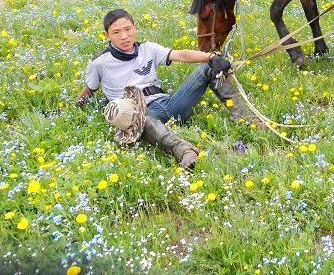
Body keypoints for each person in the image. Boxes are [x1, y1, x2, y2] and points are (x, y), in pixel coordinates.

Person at [76, 9, 254, 169]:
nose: (124, 36)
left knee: (208, 67)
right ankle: (184, 151)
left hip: (169, 104)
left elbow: (179, 54)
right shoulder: (99, 63)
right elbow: (90, 88)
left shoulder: (147, 48)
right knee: (134, 114)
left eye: (128, 29)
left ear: (135, 27)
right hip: (140, 113)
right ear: (106, 35)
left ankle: (245, 118)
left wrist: (211, 58)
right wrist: (78, 103)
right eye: (116, 32)